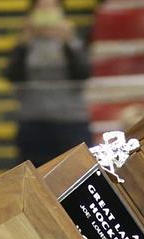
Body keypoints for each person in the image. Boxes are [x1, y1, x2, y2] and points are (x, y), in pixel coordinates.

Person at [5, 0, 89, 167]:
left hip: (70, 120)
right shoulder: (25, 43)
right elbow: (12, 75)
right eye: (41, 9)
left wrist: (68, 42)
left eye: (51, 8)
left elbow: (82, 73)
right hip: (33, 121)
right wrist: (23, 45)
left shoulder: (73, 41)